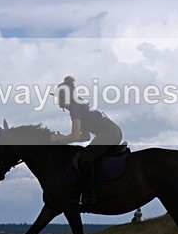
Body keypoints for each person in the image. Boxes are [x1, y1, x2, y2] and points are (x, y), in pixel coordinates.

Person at [50, 76, 123, 206]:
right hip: (111, 131)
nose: (57, 102)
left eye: (58, 98)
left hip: (109, 132)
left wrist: (57, 138)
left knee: (85, 159)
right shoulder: (78, 107)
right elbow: (85, 137)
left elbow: (75, 137)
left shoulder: (75, 109)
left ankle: (89, 197)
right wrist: (63, 138)